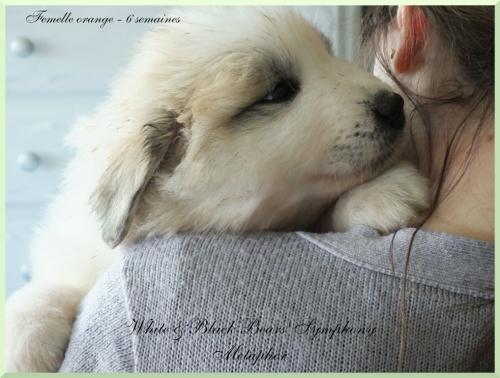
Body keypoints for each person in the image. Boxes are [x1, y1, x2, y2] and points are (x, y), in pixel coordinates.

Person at [59, 6, 493, 372]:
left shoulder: (147, 304)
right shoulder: (114, 261)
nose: (367, 88)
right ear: (163, 158)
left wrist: (339, 213)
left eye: (329, 54)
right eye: (279, 91)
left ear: (412, 28)